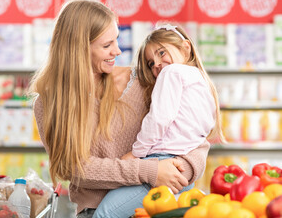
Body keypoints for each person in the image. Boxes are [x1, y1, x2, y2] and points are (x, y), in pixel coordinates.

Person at [29, 0, 210, 218]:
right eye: (107, 45)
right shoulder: (50, 102)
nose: (117, 50)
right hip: (94, 212)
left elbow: (194, 134)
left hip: (156, 208)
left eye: (117, 39)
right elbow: (72, 167)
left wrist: (181, 171)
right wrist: (149, 171)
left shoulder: (144, 81)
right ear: (77, 50)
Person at [94, 24, 225, 217]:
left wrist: (136, 152)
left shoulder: (171, 73)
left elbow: (159, 119)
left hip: (160, 165)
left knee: (104, 213)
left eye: (161, 52)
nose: (156, 64)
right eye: (150, 63)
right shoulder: (202, 82)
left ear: (185, 47)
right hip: (182, 171)